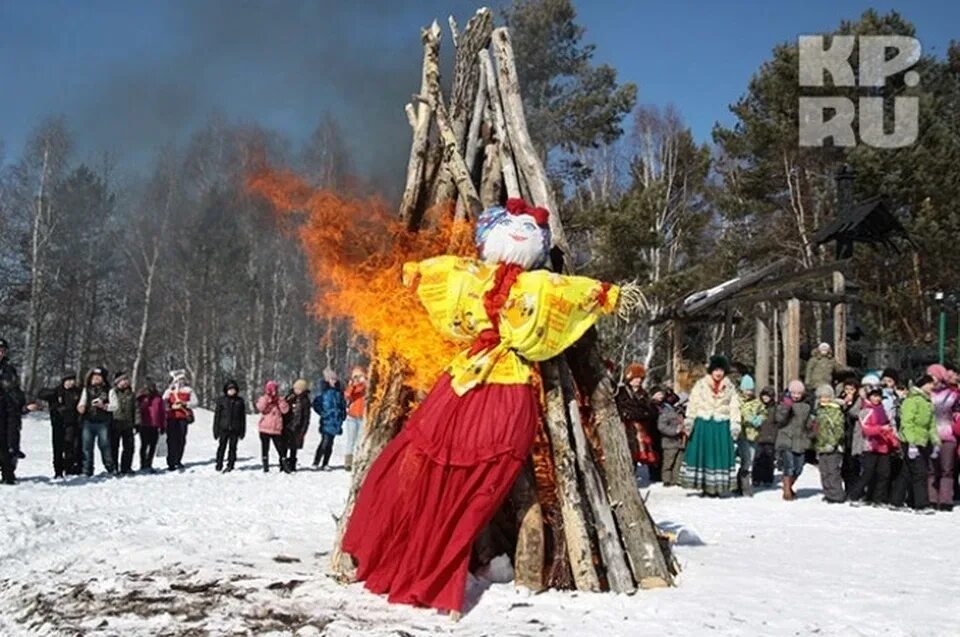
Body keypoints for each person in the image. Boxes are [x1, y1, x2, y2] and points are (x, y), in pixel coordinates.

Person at [342, 199, 630, 614]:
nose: (520, 233)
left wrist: (605, 294)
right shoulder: (475, 275)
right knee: (422, 463)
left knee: (477, 484)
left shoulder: (536, 284)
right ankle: (396, 551)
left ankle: (439, 565)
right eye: (514, 225)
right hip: (463, 387)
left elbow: (565, 291)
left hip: (502, 388)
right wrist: (416, 272)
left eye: (530, 228)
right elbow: (447, 273)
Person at [679, 355, 741, 497]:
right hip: (703, 424)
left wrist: (735, 424)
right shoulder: (700, 385)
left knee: (720, 455)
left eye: (721, 370)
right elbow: (693, 403)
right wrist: (689, 420)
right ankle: (703, 485)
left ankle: (718, 486)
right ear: (711, 371)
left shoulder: (730, 387)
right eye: (716, 370)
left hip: (721, 424)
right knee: (704, 454)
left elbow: (734, 406)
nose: (718, 373)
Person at [891, 375, 939, 511]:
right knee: (920, 472)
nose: (932, 387)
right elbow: (907, 422)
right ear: (923, 384)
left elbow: (931, 424)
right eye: (930, 384)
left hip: (923, 440)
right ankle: (921, 504)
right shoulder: (912, 400)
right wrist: (911, 443)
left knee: (907, 472)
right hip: (910, 441)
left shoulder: (928, 402)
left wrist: (935, 441)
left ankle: (896, 501)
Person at [850, 387, 898, 506]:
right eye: (874, 396)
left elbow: (889, 425)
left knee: (884, 473)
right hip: (870, 446)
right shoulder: (866, 410)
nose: (877, 399)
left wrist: (894, 440)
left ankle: (878, 498)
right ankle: (855, 495)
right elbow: (866, 429)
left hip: (884, 446)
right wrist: (881, 429)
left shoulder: (883, 410)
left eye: (879, 396)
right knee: (868, 473)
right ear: (869, 397)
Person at [616, 363, 660, 480]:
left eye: (640, 378)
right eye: (635, 378)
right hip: (627, 429)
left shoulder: (644, 394)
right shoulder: (621, 392)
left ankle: (632, 475)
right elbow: (623, 409)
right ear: (629, 378)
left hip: (642, 429)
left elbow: (650, 411)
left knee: (636, 455)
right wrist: (636, 413)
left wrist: (640, 413)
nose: (638, 381)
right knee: (628, 453)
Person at [37, 371, 82, 477]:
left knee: (70, 447)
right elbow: (41, 394)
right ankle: (58, 471)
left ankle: (69, 469)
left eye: (73, 380)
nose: (71, 383)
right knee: (58, 448)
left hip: (72, 423)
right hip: (58, 424)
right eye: (68, 381)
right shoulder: (57, 391)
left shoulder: (77, 392)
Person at [775, 380, 814, 501]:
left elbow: (807, 424)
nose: (796, 396)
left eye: (799, 393)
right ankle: (786, 492)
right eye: (793, 393)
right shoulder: (783, 404)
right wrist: (786, 407)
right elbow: (778, 419)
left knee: (799, 468)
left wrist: (813, 428)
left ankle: (789, 486)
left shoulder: (807, 406)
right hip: (786, 438)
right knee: (789, 466)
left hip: (800, 440)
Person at [927, 364, 957, 511]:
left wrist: (953, 426)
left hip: (948, 435)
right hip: (930, 435)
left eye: (932, 375)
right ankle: (931, 498)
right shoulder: (926, 394)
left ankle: (946, 499)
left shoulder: (953, 394)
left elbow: (957, 412)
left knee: (947, 469)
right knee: (932, 469)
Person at [76, 367, 116, 477]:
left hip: (103, 422)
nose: (96, 379)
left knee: (105, 445)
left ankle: (110, 468)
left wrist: (104, 406)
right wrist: (81, 407)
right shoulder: (86, 390)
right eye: (94, 377)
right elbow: (81, 402)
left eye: (98, 377)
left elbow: (115, 406)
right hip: (88, 421)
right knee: (87, 447)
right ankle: (87, 470)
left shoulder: (109, 390)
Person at [814, 384, 846, 503]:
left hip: (833, 446)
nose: (824, 399)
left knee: (833, 471)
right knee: (824, 471)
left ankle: (837, 494)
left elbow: (839, 429)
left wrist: (833, 443)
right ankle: (828, 493)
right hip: (821, 445)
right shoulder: (819, 410)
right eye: (821, 397)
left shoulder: (835, 410)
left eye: (826, 397)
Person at [313, 369, 347, 471]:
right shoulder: (324, 393)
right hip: (327, 421)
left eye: (335, 379)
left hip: (336, 422)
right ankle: (316, 461)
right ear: (327, 380)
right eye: (332, 379)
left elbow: (342, 405)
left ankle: (325, 463)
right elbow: (316, 404)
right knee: (324, 442)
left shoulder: (339, 393)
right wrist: (323, 413)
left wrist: (342, 415)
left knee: (330, 443)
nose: (334, 381)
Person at [163, 369, 197, 471]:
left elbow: (195, 402)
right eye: (178, 380)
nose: (180, 382)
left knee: (181, 439)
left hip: (183, 418)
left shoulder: (188, 390)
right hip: (171, 418)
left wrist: (185, 404)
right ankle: (171, 461)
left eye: (182, 380)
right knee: (171, 440)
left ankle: (178, 460)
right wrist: (170, 406)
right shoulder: (169, 391)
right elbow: (163, 402)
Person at [736, 375, 762, 496]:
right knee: (746, 460)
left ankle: (739, 484)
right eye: (747, 389)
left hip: (753, 434)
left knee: (749, 460)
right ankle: (745, 487)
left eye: (751, 390)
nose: (749, 392)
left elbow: (763, 412)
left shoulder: (756, 402)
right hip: (742, 434)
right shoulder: (736, 401)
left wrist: (759, 419)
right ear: (742, 389)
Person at [655, 386, 685, 486]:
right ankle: (666, 479)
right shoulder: (664, 411)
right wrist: (675, 431)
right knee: (668, 462)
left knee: (678, 462)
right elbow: (662, 426)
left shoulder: (679, 411)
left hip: (680, 441)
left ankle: (676, 479)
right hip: (669, 442)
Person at [213, 379, 246, 472]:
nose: (232, 391)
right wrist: (216, 430)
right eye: (230, 389)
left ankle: (231, 464)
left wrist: (242, 431)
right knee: (221, 447)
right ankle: (219, 463)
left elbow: (243, 418)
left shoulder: (240, 401)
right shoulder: (221, 401)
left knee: (233, 448)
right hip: (223, 428)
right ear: (226, 390)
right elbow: (217, 417)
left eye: (233, 389)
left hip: (235, 428)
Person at [256, 380, 290, 473]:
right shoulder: (264, 398)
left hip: (276, 428)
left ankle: (284, 463)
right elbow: (260, 407)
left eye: (275, 389)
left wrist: (281, 402)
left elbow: (285, 410)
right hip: (264, 428)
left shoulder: (280, 399)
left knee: (280, 447)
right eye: (271, 390)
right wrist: (267, 399)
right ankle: (265, 464)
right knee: (265, 447)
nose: (273, 392)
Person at [840, 376, 865, 498]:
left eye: (852, 389)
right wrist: (843, 404)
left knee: (854, 464)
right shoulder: (840, 399)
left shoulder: (860, 400)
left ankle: (855, 491)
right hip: (844, 436)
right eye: (847, 389)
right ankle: (847, 489)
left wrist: (849, 406)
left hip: (855, 436)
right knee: (845, 466)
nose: (849, 392)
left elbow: (856, 414)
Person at [108, 371, 137, 475]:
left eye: (126, 380)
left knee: (129, 447)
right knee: (114, 447)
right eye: (122, 380)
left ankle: (126, 467)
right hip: (115, 423)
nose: (125, 382)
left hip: (128, 424)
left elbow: (136, 409)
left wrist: (137, 423)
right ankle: (114, 467)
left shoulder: (132, 394)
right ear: (117, 382)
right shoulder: (112, 393)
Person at [136, 379, 165, 472]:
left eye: (152, 387)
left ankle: (149, 463)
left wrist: (163, 425)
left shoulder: (158, 398)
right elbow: (138, 410)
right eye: (148, 387)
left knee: (153, 445)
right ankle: (143, 463)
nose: (150, 389)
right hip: (144, 424)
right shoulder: (141, 398)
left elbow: (162, 412)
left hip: (155, 424)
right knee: (144, 445)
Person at [751, 387, 778, 487]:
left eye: (768, 396)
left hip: (771, 437)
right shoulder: (759, 407)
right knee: (757, 459)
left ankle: (768, 478)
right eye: (764, 396)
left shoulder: (774, 408)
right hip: (759, 436)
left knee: (769, 459)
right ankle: (756, 478)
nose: (765, 398)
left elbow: (779, 421)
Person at [283, 379, 311, 471]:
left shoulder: (305, 400)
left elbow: (306, 416)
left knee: (294, 446)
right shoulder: (290, 397)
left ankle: (292, 463)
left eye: (299, 389)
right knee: (285, 445)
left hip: (298, 426)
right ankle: (283, 462)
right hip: (287, 424)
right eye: (296, 389)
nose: (297, 391)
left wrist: (304, 429)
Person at [343, 367, 367, 472]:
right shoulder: (352, 387)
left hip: (363, 416)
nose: (358, 378)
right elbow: (347, 395)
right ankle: (348, 462)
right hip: (352, 417)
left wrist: (364, 382)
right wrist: (353, 384)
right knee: (350, 440)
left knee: (359, 441)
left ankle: (357, 461)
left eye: (359, 376)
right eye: (355, 376)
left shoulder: (367, 386)